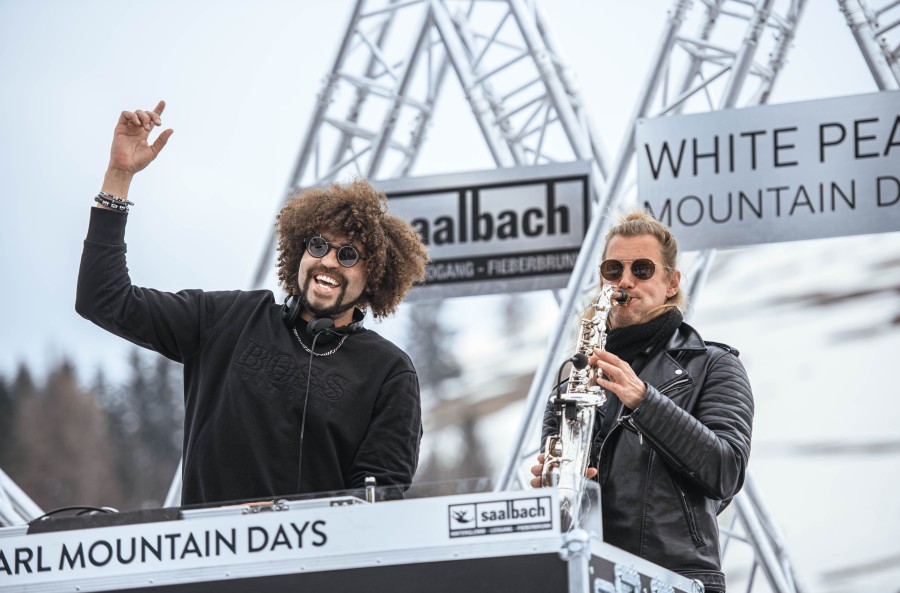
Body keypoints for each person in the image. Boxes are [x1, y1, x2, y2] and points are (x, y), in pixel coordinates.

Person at [76, 101, 429, 506]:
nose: (329, 260)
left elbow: (378, 500)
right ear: (299, 251)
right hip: (210, 564)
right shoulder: (226, 320)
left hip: (315, 566)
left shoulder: (389, 372)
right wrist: (119, 176)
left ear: (374, 277)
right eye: (319, 245)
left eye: (349, 255)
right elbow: (102, 299)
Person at [531, 210, 753, 593]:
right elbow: (564, 505)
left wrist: (645, 401)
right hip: (588, 573)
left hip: (678, 579)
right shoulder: (571, 387)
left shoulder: (715, 365)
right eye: (613, 269)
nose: (625, 281)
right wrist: (553, 486)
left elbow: (726, 472)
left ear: (671, 282)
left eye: (643, 269)